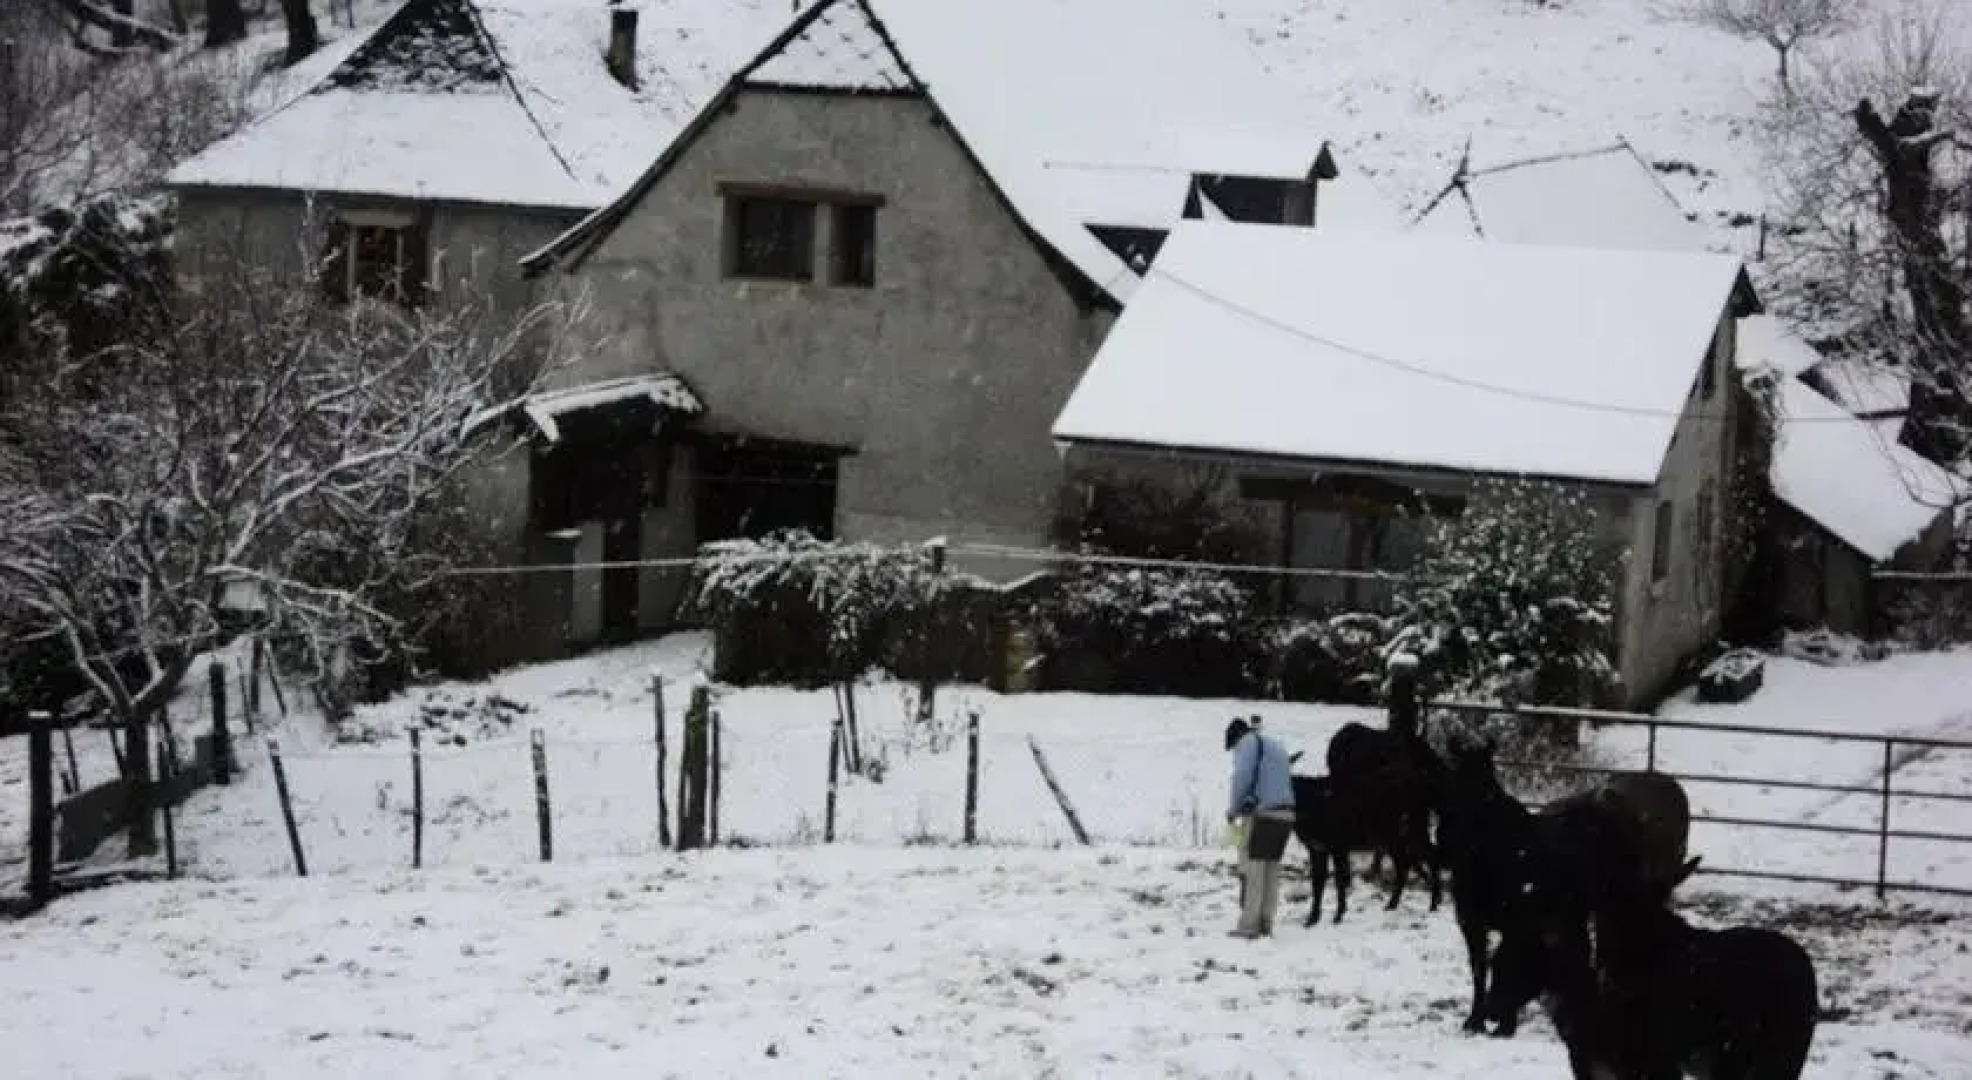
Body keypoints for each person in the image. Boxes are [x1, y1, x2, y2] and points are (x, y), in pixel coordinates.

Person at [1225, 715, 1296, 938]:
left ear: (1236, 738)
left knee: (1253, 869)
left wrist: (1233, 809)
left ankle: (1248, 926)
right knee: (1271, 869)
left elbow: (1242, 776)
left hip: (1262, 814)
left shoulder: (1247, 744)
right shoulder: (1275, 746)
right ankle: (1267, 922)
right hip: (1286, 814)